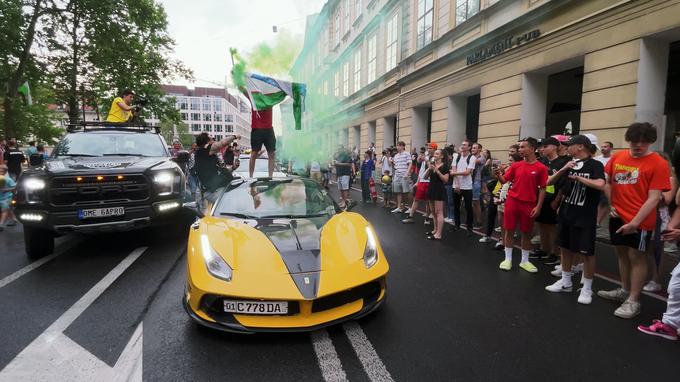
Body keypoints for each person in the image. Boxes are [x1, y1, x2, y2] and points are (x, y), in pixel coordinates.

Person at [598, 122, 670, 319]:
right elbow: (608, 182)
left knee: (637, 257)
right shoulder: (619, 157)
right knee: (621, 255)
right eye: (634, 141)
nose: (638, 145)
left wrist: (635, 223)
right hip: (617, 216)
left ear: (650, 142)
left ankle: (633, 300)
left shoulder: (658, 163)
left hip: (641, 221)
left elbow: (654, 197)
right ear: (628, 140)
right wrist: (612, 205)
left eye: (644, 142)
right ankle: (624, 289)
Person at [544, 135, 605, 304]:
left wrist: (579, 178)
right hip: (566, 213)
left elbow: (601, 184)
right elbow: (548, 181)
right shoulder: (569, 164)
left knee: (587, 253)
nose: (566, 148)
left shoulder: (595, 164)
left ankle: (587, 289)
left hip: (585, 216)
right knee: (565, 248)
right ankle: (566, 281)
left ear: (580, 147)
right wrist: (564, 169)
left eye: (569, 145)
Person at [494, 137, 548, 273]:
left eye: (523, 147)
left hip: (529, 204)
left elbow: (543, 188)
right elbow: (504, 180)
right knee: (509, 230)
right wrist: (498, 175)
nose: (520, 150)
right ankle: (508, 259)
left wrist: (539, 206)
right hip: (512, 201)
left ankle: (525, 261)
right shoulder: (516, 165)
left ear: (532, 148)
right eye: (520, 148)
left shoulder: (541, 168)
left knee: (526, 233)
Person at [532, 137, 570, 264]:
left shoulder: (562, 162)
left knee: (552, 226)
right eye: (542, 147)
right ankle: (544, 249)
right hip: (541, 198)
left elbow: (563, 184)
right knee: (541, 224)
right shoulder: (542, 161)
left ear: (554, 147)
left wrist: (557, 200)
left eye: (545, 146)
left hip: (553, 199)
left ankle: (554, 252)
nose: (542, 149)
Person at [194, 132, 240, 205]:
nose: (214, 141)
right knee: (228, 206)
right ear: (207, 142)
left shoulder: (210, 156)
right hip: (212, 192)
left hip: (216, 189)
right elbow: (222, 143)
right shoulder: (203, 150)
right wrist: (235, 136)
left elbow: (221, 171)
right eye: (212, 139)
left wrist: (233, 167)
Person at [402, 143, 436, 224]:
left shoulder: (434, 158)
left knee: (428, 202)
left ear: (435, 149)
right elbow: (421, 171)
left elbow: (432, 168)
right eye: (428, 148)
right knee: (416, 199)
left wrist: (426, 160)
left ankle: (427, 218)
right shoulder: (426, 157)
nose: (428, 149)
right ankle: (411, 217)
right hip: (422, 181)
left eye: (430, 148)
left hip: (430, 182)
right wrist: (417, 181)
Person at [450, 140, 476, 235]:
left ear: (469, 147)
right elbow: (454, 169)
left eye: (465, 145)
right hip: (456, 185)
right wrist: (457, 184)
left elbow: (467, 172)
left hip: (467, 186)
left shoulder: (472, 158)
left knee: (468, 207)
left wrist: (455, 173)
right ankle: (457, 225)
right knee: (456, 206)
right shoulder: (456, 156)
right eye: (462, 144)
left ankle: (469, 228)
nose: (462, 146)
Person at [424, 149, 450, 240]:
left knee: (439, 212)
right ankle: (435, 230)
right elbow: (425, 177)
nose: (434, 155)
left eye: (437, 153)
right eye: (434, 153)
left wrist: (437, 171)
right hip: (431, 188)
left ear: (442, 156)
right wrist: (429, 168)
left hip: (439, 189)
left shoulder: (445, 166)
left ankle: (439, 234)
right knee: (433, 211)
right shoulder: (433, 165)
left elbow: (445, 180)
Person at [595, 141, 614, 225]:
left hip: (607, 184)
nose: (602, 148)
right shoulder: (597, 159)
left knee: (604, 203)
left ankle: (597, 222)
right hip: (597, 183)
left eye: (605, 147)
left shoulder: (613, 159)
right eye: (602, 146)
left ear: (611, 148)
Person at [390, 141, 412, 213]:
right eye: (397, 146)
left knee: (407, 192)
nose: (398, 147)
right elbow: (395, 167)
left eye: (399, 146)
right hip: (397, 175)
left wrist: (407, 173)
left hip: (404, 175)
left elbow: (410, 164)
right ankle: (399, 207)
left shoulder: (407, 154)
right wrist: (392, 163)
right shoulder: (396, 156)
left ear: (403, 146)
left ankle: (410, 207)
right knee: (398, 191)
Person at [470, 143, 487, 229]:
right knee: (472, 203)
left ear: (479, 149)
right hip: (470, 181)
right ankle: (473, 221)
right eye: (472, 148)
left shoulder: (482, 158)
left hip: (476, 181)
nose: (472, 149)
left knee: (476, 203)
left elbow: (473, 162)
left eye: (474, 148)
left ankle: (479, 222)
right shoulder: (472, 157)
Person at [334, 145, 354, 209]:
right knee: (341, 189)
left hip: (345, 174)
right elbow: (336, 164)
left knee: (345, 189)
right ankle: (342, 201)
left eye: (339, 149)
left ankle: (345, 202)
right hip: (339, 174)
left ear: (342, 149)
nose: (338, 150)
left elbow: (349, 164)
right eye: (338, 149)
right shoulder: (338, 156)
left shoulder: (346, 156)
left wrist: (339, 164)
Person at [0, 165, 17, 230]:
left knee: (4, 211)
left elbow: (15, 187)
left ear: (5, 172)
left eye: (2, 171)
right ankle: (14, 219)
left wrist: (6, 190)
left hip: (7, 198)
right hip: (1, 198)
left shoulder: (8, 179)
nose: (0, 172)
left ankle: (1, 225)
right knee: (9, 209)